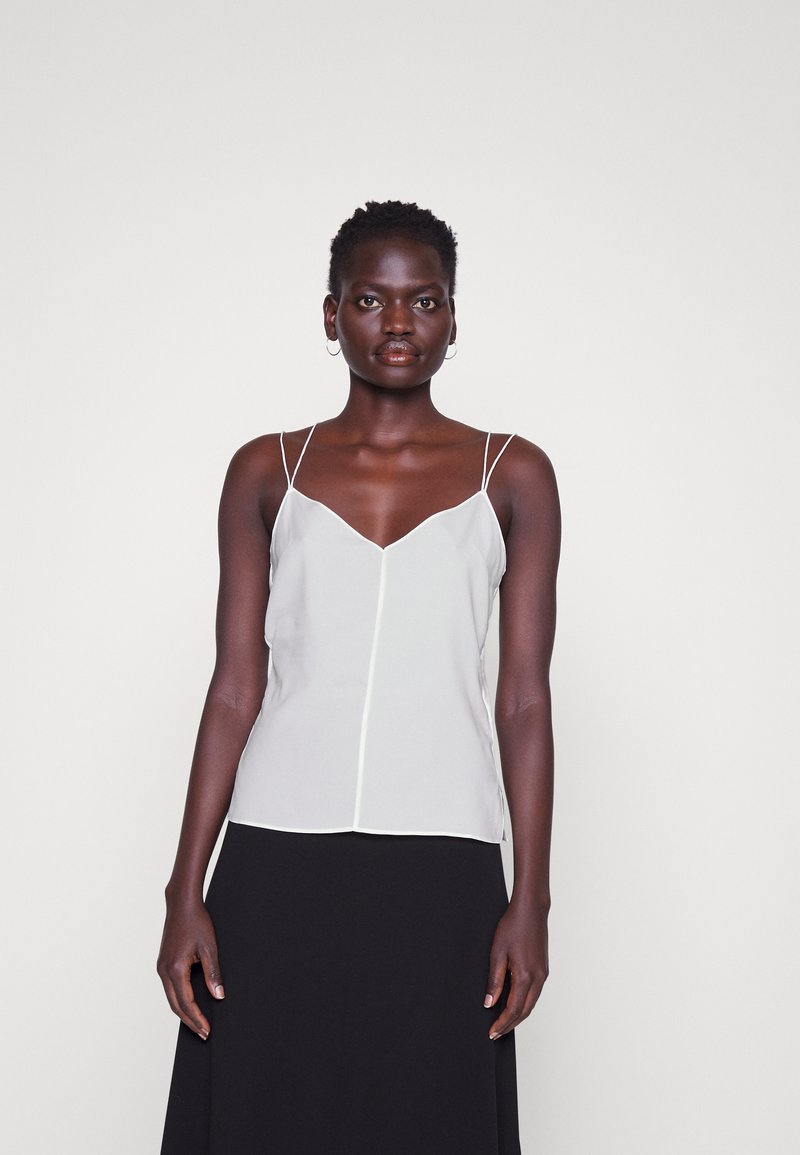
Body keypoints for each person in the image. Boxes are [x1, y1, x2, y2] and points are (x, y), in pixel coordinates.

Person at [157, 199, 560, 1154]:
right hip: (275, 859)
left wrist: (531, 898)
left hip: (444, 863)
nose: (399, 322)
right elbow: (234, 689)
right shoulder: (267, 470)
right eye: (371, 300)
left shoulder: (513, 475)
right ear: (332, 315)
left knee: (429, 1117)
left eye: (425, 300)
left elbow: (524, 700)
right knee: (263, 1114)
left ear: (453, 319)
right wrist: (184, 889)